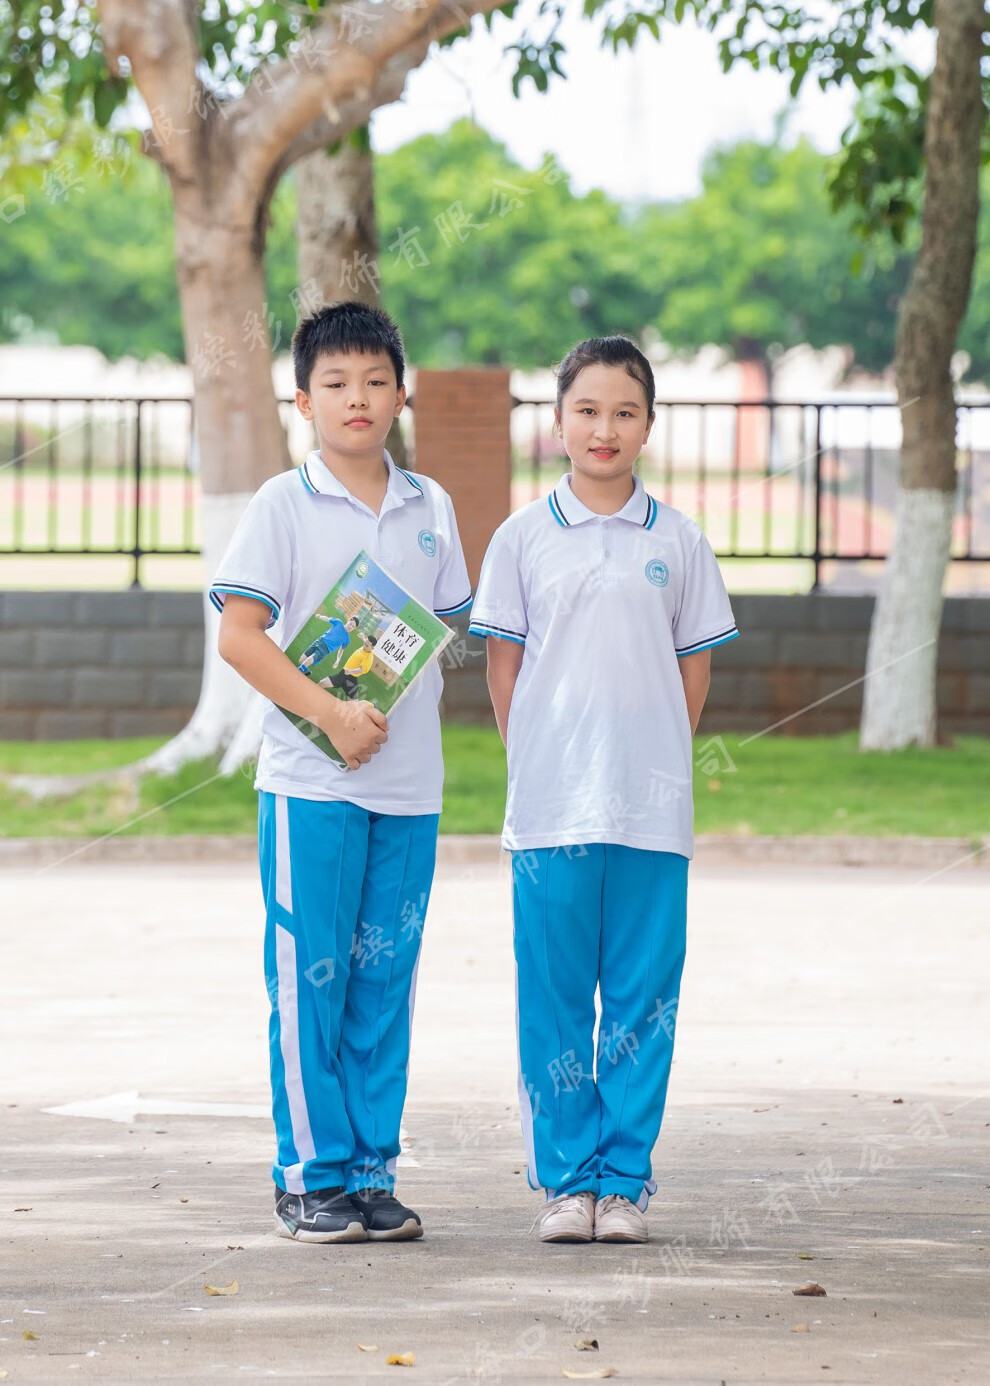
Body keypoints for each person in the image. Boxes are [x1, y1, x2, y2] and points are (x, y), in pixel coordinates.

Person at [468, 335, 738, 1245]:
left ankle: (623, 1183)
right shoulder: (521, 538)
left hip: (651, 811)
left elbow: (692, 673)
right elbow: (503, 670)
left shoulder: (680, 539)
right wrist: (545, 758)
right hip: (550, 811)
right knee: (551, 994)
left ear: (650, 425)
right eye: (587, 409)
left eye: (625, 411)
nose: (605, 428)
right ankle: (566, 1182)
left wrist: (652, 759)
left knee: (641, 998)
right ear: (557, 422)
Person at [212, 302, 472, 1244]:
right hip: (310, 785)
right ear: (303, 400)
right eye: (335, 383)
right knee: (307, 979)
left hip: (409, 792)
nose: (356, 399)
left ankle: (371, 1171)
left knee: (383, 980)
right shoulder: (282, 503)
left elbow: (441, 629)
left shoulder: (431, 505)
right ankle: (311, 1175)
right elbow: (240, 637)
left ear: (402, 393)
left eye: (374, 381)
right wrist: (329, 712)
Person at [320, 633, 377, 700]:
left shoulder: (369, 657)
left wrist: (350, 671)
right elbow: (366, 642)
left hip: (351, 678)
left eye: (366, 646)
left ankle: (367, 707)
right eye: (364, 643)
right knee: (322, 683)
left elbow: (361, 669)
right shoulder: (366, 645)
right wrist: (363, 637)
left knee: (354, 703)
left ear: (372, 648)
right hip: (343, 674)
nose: (364, 646)